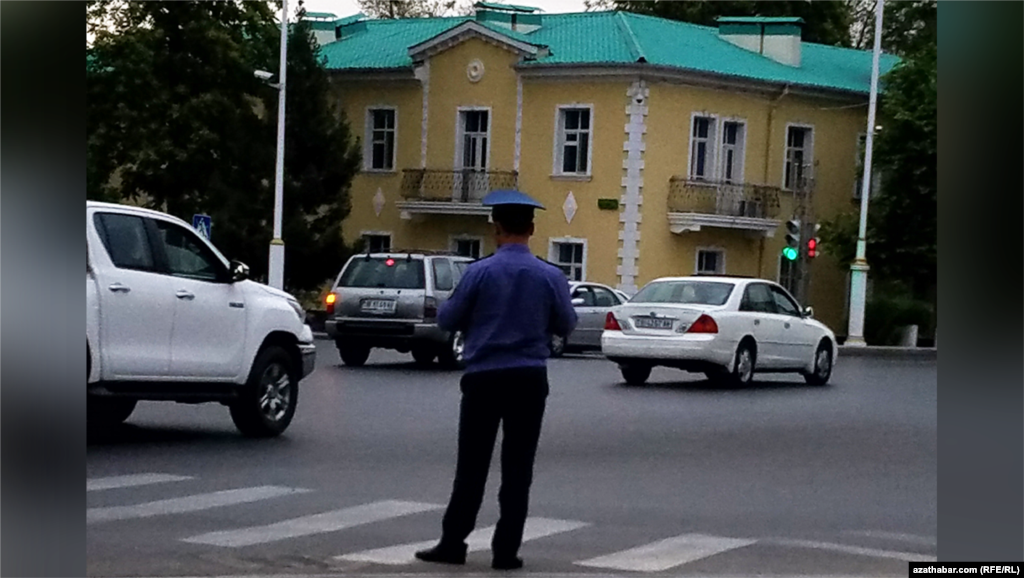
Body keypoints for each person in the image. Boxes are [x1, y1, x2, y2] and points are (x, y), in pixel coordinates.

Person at [414, 190, 578, 571]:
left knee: (472, 464)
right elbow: (567, 324)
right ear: (532, 229)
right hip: (529, 378)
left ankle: (453, 542)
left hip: (483, 378)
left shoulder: (479, 272)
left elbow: (446, 321)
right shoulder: (550, 275)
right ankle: (506, 551)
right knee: (519, 467)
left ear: (496, 229)